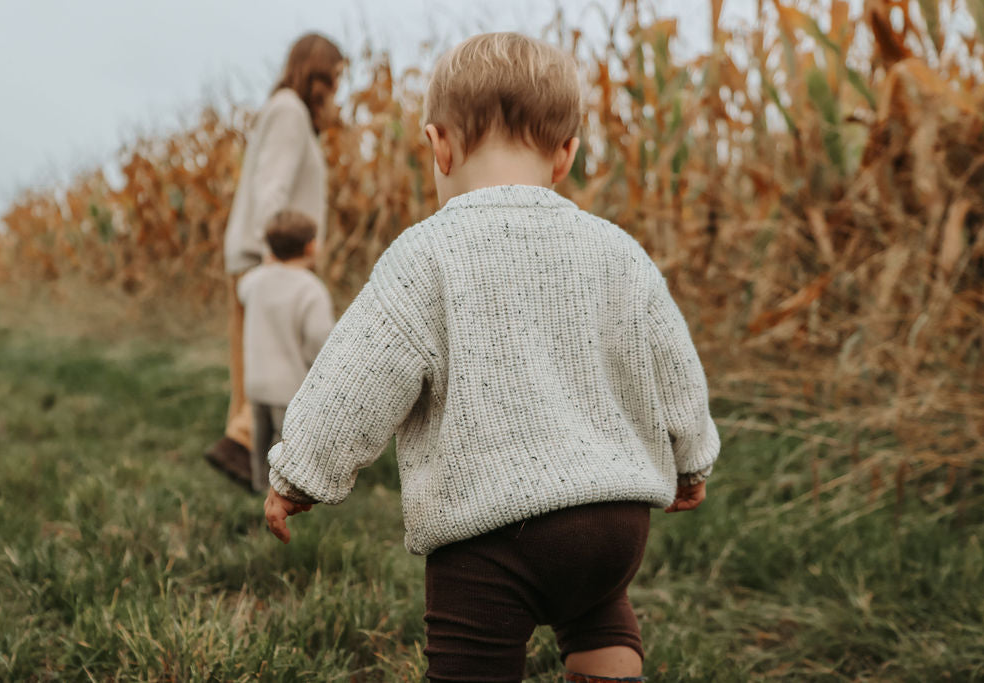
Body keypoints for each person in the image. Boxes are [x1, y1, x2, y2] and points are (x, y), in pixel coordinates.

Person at [264, 32, 720, 682]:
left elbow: (355, 377)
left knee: (472, 659)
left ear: (439, 145)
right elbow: (674, 362)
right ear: (565, 156)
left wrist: (301, 471)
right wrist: (691, 456)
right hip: (615, 523)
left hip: (491, 535)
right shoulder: (618, 250)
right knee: (599, 618)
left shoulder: (426, 254)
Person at [205, 33, 344, 485]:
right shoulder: (289, 111)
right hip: (270, 257)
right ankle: (246, 448)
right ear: (318, 73)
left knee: (253, 366)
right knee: (280, 364)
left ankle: (246, 464)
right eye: (337, 76)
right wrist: (278, 258)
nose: (339, 89)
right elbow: (273, 187)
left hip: (263, 256)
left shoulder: (288, 112)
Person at [236, 210, 335, 492]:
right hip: (288, 387)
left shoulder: (255, 281)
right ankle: (282, 496)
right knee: (285, 448)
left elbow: (242, 290)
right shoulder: (311, 289)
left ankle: (257, 488)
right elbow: (319, 337)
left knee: (260, 441)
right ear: (310, 246)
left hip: (256, 383)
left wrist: (267, 265)